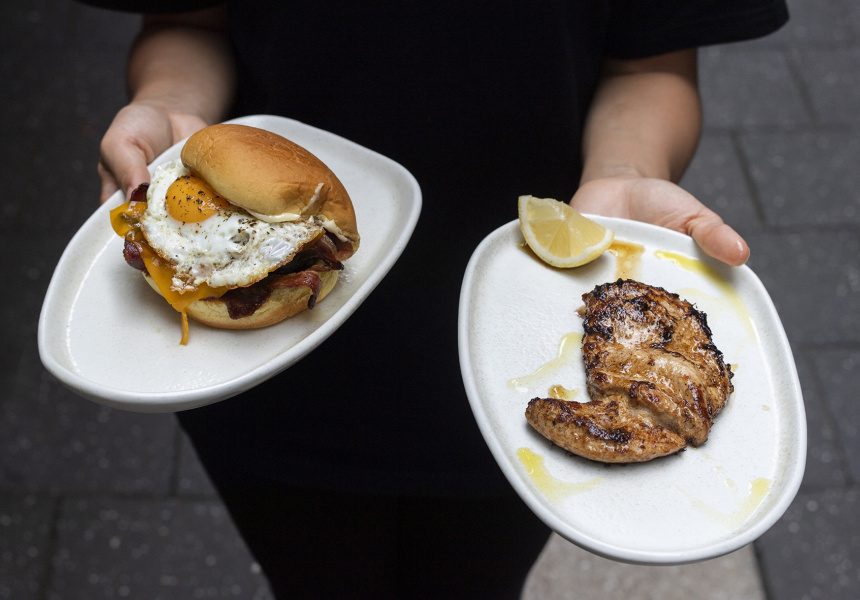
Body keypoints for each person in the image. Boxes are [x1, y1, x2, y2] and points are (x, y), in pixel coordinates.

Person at [82, 1, 788, 598]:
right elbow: (187, 21)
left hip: (517, 355)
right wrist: (170, 107)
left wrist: (626, 171)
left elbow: (650, 64)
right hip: (261, 386)